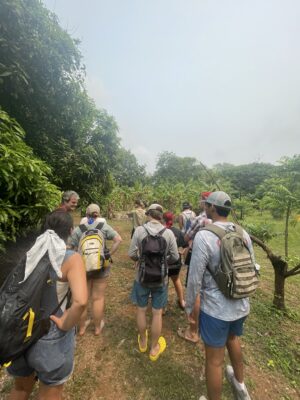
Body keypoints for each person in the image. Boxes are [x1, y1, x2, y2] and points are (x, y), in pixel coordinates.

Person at [7, 211, 88, 400]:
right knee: (49, 393)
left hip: (19, 333)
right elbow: (81, 301)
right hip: (48, 335)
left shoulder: (28, 252)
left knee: (20, 388)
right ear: (70, 231)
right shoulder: (70, 258)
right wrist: (66, 323)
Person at [186, 191, 254, 400]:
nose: (205, 207)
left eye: (207, 205)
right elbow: (252, 266)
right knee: (233, 339)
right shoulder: (242, 232)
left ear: (212, 208)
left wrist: (190, 308)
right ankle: (241, 387)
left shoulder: (205, 235)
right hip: (241, 303)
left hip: (216, 309)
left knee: (214, 360)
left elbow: (195, 278)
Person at [128, 204, 178, 361]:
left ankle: (143, 341)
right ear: (161, 216)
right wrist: (163, 261)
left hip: (141, 278)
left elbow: (131, 253)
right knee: (157, 313)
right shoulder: (168, 233)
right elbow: (175, 257)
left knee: (141, 310)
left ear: (148, 214)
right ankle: (154, 348)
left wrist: (140, 260)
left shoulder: (139, 231)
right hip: (161, 279)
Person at [69, 205, 122, 336]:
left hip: (82, 268)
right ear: (98, 214)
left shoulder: (79, 229)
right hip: (101, 266)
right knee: (98, 298)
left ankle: (81, 328)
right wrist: (109, 254)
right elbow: (118, 239)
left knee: (83, 298)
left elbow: (69, 246)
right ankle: (98, 328)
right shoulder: (103, 227)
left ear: (86, 214)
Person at [178, 191, 212, 344]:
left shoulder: (200, 219)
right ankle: (204, 325)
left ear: (205, 202)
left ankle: (193, 331)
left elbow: (186, 237)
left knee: (195, 290)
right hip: (214, 261)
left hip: (198, 257)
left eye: (201, 200)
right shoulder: (221, 222)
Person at [162, 211, 188, 310]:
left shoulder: (161, 231)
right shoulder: (177, 231)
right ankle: (181, 301)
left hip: (163, 262)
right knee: (176, 280)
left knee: (164, 283)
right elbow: (186, 245)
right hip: (175, 262)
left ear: (162, 220)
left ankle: (162, 306)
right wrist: (181, 252)